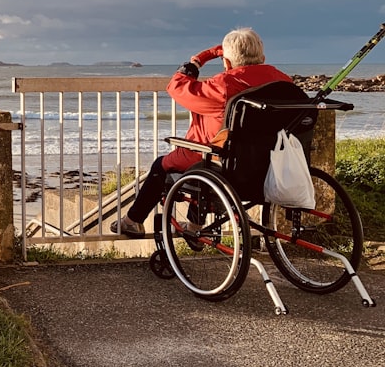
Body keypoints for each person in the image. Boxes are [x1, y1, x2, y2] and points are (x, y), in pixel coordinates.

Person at [111, 27, 292, 238]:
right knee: (204, 162)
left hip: (226, 164)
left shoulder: (223, 86)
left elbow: (176, 86)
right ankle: (194, 227)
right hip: (272, 165)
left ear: (226, 62)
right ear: (262, 56)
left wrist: (200, 59)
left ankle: (132, 221)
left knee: (163, 165)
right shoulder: (283, 82)